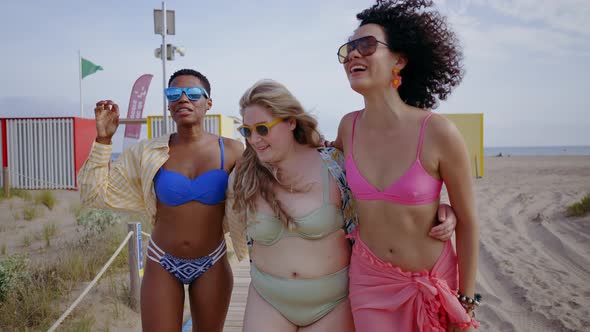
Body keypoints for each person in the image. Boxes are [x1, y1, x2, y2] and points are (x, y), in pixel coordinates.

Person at [224, 79, 458, 332]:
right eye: (247, 131)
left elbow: (385, 199)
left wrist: (440, 210)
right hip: (267, 299)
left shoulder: (335, 165)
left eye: (262, 129)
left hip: (333, 304)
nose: (254, 140)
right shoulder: (243, 176)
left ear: (291, 121)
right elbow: (212, 218)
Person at [332, 1, 480, 331]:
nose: (354, 54)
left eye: (366, 45)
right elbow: (314, 162)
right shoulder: (347, 127)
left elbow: (468, 222)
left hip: (434, 279)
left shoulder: (439, 132)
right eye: (348, 49)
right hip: (370, 281)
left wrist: (466, 299)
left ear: (399, 60)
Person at [78, 69, 244, 331]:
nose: (183, 99)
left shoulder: (233, 150)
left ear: (208, 103)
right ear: (168, 104)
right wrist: (104, 140)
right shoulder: (149, 152)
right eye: (174, 93)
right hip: (161, 261)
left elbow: (266, 186)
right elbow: (93, 194)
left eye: (193, 93)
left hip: (212, 261)